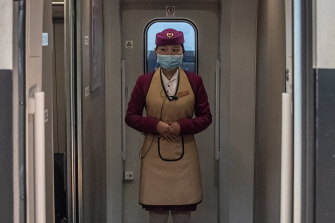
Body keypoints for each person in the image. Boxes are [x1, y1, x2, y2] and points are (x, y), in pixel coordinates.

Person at [125, 28, 212, 223]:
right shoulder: (144, 82)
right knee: (157, 213)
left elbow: (206, 117)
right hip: (154, 157)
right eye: (164, 50)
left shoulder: (194, 81)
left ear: (182, 52)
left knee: (183, 213)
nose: (169, 55)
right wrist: (156, 125)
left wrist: (182, 127)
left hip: (185, 156)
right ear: (156, 52)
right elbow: (130, 117)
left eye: (174, 50)